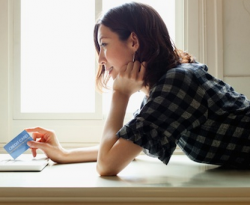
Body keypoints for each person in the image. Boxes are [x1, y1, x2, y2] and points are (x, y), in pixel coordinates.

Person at [26, 2, 250, 176]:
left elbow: (108, 165)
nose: (100, 59)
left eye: (104, 44)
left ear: (133, 41)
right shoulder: (161, 88)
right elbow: (127, 148)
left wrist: (120, 94)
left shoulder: (177, 84)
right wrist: (63, 154)